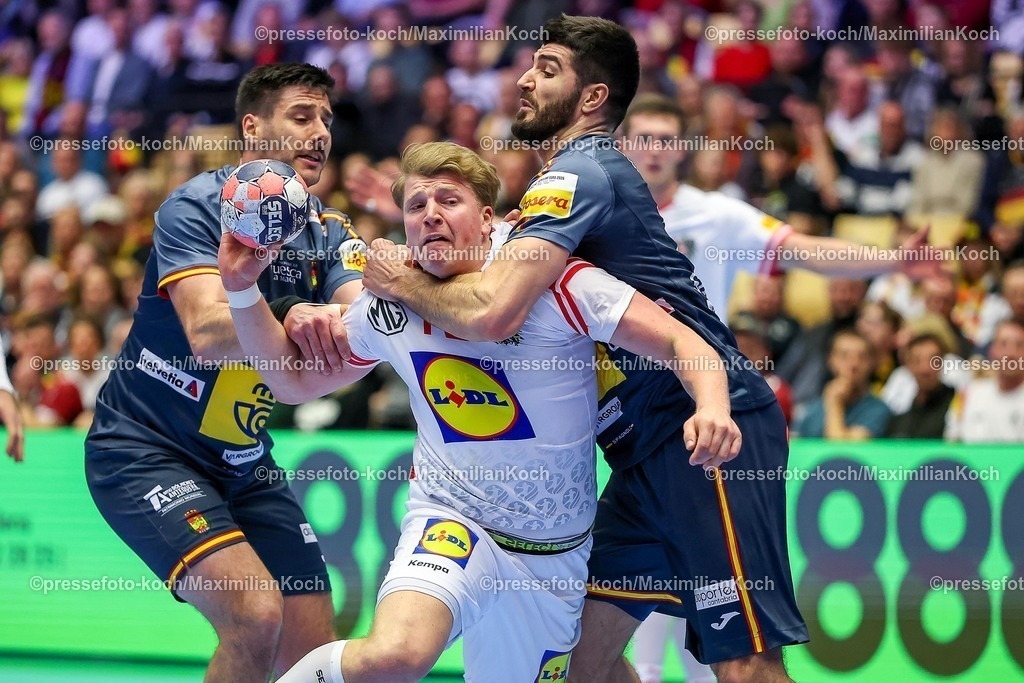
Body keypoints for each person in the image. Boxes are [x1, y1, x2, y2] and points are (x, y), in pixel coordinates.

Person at [357, 15, 806, 683]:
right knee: (580, 664)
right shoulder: (552, 194)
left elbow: (492, 310)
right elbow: (487, 276)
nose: (526, 80)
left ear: (592, 98)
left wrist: (400, 277)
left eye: (547, 68)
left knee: (743, 663)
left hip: (701, 435)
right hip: (637, 458)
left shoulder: (580, 173)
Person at [219, 141, 742, 682]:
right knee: (396, 654)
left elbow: (683, 343)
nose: (431, 216)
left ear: (489, 219)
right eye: (417, 207)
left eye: (449, 200)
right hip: (452, 519)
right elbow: (292, 381)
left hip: (550, 555)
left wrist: (713, 406)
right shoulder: (390, 305)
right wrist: (240, 290)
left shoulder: (553, 282)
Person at [83, 63, 367, 682]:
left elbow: (360, 323)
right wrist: (295, 316)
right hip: (146, 450)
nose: (319, 132)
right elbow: (208, 335)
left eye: (326, 118)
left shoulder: (331, 228)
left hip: (243, 458)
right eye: (301, 116)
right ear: (252, 128)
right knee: (255, 613)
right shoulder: (196, 205)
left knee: (313, 639)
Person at [618, 93, 939, 319]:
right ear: (623, 145)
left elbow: (806, 252)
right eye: (645, 139)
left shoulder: (716, 213)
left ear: (681, 150)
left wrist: (893, 261)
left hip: (697, 388)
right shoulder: (600, 215)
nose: (655, 151)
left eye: (666, 140)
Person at [795, 329, 892, 440]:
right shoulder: (810, 411)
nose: (853, 364)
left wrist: (834, 403)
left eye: (862, 357)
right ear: (831, 360)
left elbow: (841, 452)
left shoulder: (878, 410)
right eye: (844, 356)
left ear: (871, 363)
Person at [945, 319, 1024, 442]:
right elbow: (952, 441)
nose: (1011, 354)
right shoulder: (966, 395)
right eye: (1004, 344)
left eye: (1019, 345)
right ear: (992, 351)